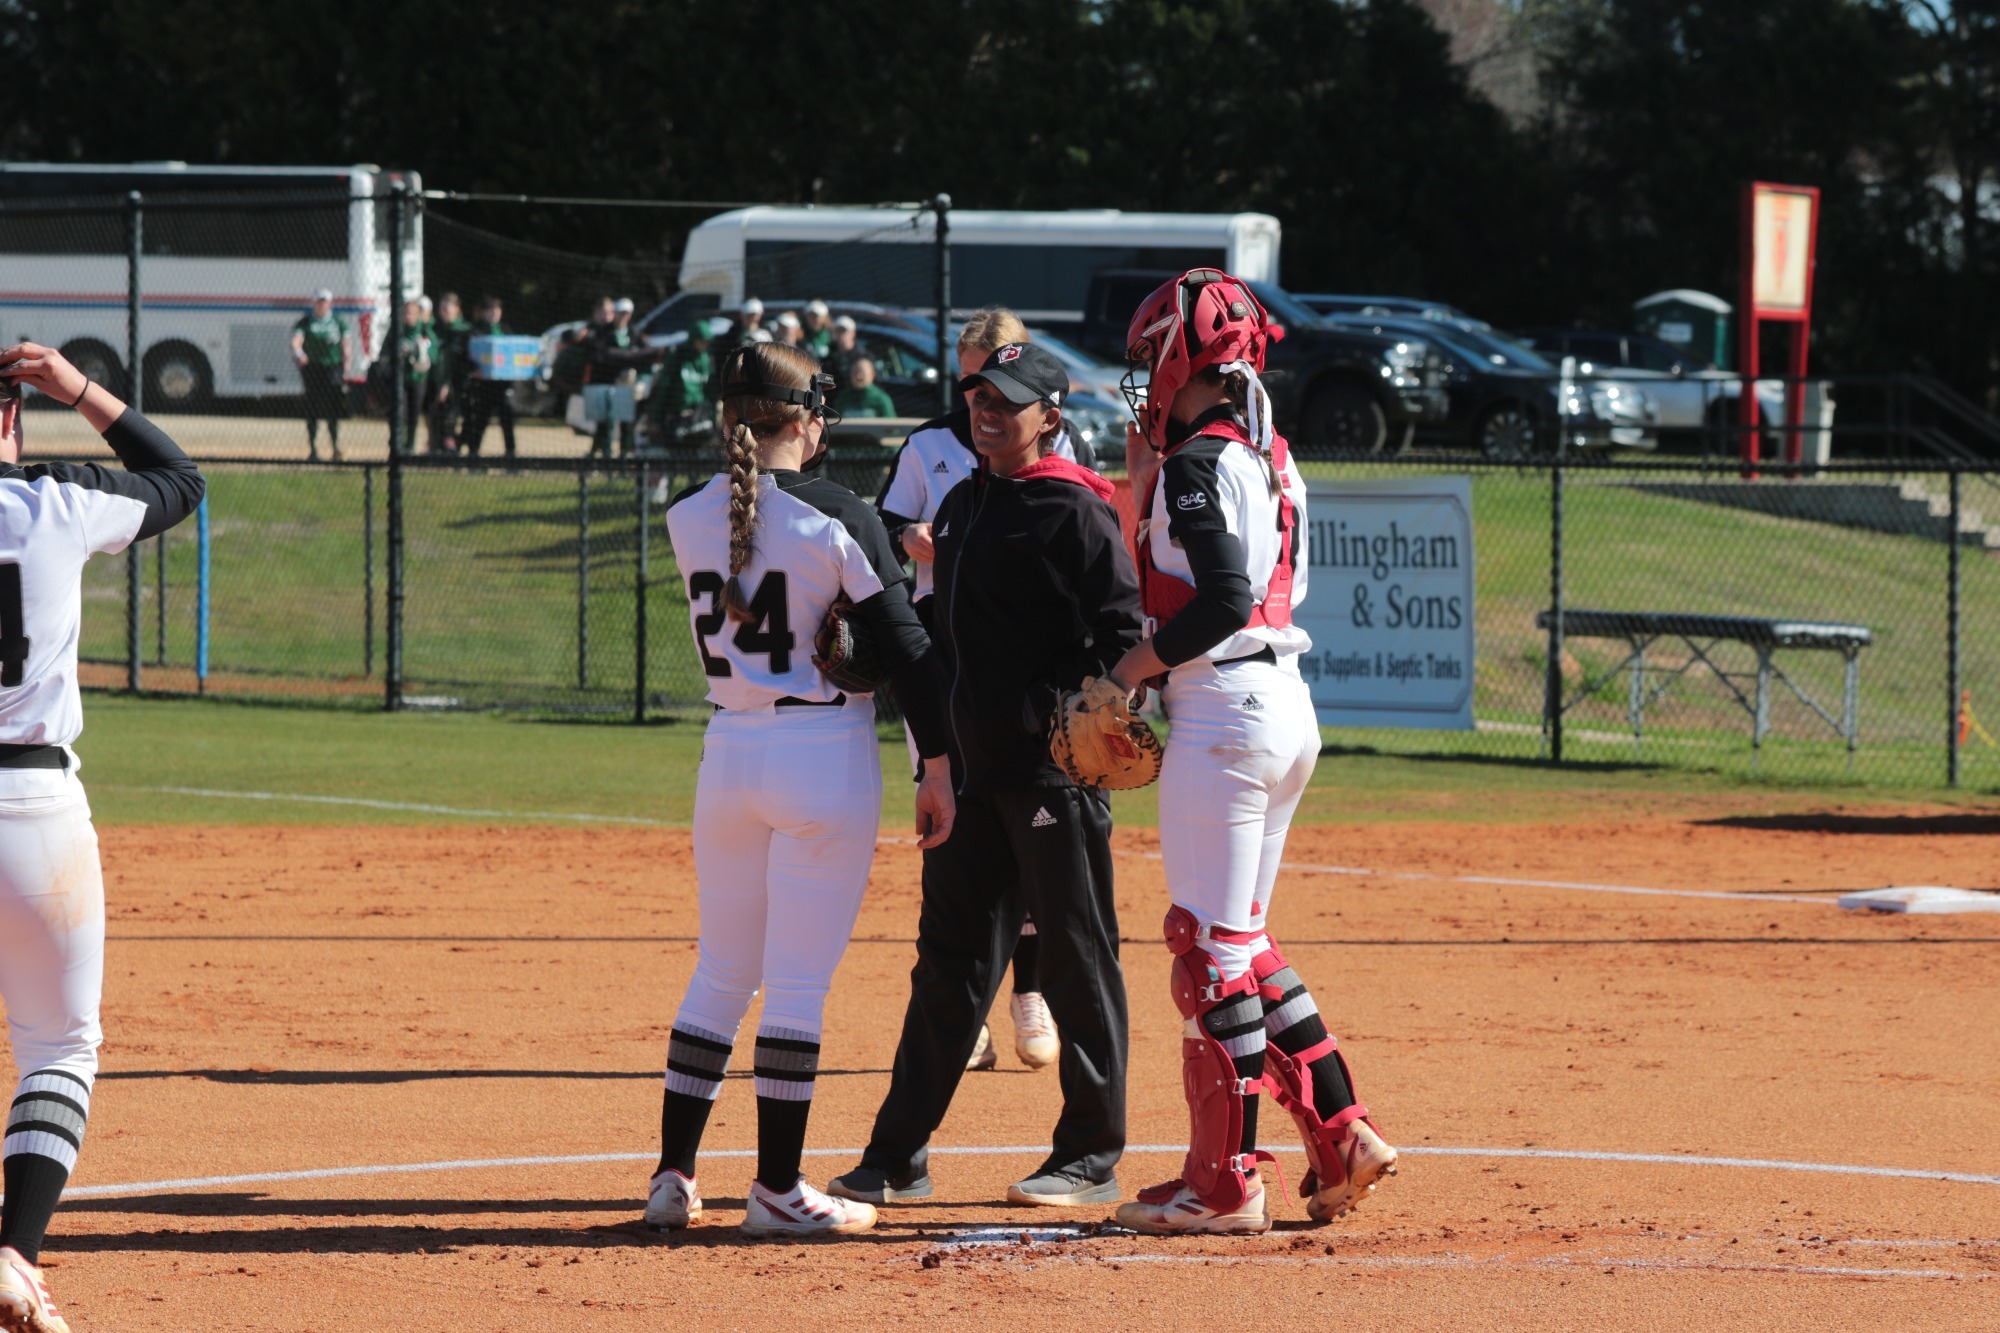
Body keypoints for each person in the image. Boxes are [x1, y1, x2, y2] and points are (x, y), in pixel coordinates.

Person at [1104, 270, 1399, 1236]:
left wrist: (1129, 671)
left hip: (1225, 704)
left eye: (1154, 354)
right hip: (1279, 707)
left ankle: (1222, 1184)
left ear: (1187, 356)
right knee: (1244, 943)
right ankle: (1342, 1133)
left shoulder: (1197, 460)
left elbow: (1222, 599)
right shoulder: (1270, 449)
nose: (1146, 373)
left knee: (1206, 953)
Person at [650, 342, 957, 1238]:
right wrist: (936, 764)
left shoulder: (686, 515)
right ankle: (778, 1189)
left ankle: (672, 1176)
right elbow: (904, 651)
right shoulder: (842, 515)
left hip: (728, 753)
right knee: (794, 985)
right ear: (809, 424)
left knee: (720, 972)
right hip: (821, 751)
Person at [832, 341, 1140, 1209]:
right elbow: (947, 649)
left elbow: (1123, 634)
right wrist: (936, 763)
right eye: (977, 394)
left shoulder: (1076, 512)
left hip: (1050, 778)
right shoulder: (962, 504)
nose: (987, 408)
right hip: (969, 778)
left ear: (1050, 414)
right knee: (948, 968)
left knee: (1078, 961)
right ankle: (897, 1156)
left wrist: (1105, 707)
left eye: (1007, 397)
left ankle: (1089, 1153)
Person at [0, 342, 206, 1332]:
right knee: (58, 1044)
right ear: (11, 418)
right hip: (35, 813)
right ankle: (16, 1253)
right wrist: (76, 388)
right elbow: (178, 481)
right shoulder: (56, 502)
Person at [873, 308, 1090, 1073]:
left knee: (1031, 834)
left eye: (997, 376)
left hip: (1028, 667)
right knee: (950, 820)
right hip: (945, 656)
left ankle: (1028, 992)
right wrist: (910, 537)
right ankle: (961, 1003)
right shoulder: (929, 444)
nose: (983, 399)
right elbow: (887, 516)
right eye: (973, 380)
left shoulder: (1061, 442)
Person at [586, 297, 661, 459]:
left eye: (626, 313)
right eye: (620, 313)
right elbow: (604, 354)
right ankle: (602, 455)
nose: (623, 316)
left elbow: (646, 355)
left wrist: (639, 377)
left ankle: (624, 456)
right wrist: (631, 356)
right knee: (604, 423)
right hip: (607, 383)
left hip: (627, 386)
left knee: (627, 424)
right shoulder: (604, 333)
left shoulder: (633, 333)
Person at [289, 288, 350, 462]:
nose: (322, 304)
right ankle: (313, 449)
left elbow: (346, 344)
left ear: (330, 303)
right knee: (312, 408)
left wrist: (346, 363)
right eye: (319, 301)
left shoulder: (337, 322)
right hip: (313, 369)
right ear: (314, 303)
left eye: (325, 301)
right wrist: (299, 354)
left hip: (332, 368)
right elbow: (296, 342)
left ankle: (335, 447)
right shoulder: (306, 322)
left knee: (333, 408)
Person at [644, 318, 719, 448]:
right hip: (676, 414)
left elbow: (711, 391)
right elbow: (664, 387)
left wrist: (712, 414)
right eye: (701, 340)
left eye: (706, 341)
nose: (704, 344)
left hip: (699, 416)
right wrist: (656, 418)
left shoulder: (707, 360)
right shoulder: (678, 356)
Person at [459, 296, 519, 459]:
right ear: (483, 313)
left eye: (497, 309)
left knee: (507, 420)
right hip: (483, 386)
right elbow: (465, 358)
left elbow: (515, 354)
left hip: (503, 385)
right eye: (490, 310)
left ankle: (511, 455)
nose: (494, 313)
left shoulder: (506, 331)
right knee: (480, 421)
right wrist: (474, 371)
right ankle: (473, 454)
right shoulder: (474, 332)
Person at [427, 292, 472, 455]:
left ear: (457, 309)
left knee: (453, 417)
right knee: (435, 415)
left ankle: (453, 446)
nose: (444, 310)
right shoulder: (435, 329)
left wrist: (448, 383)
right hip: (435, 380)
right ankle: (435, 448)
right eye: (442, 307)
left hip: (458, 383)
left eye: (448, 307)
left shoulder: (465, 331)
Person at [391, 299, 433, 453]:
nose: (409, 316)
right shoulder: (397, 330)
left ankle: (410, 445)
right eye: (406, 312)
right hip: (400, 379)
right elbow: (385, 352)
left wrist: (423, 355)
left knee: (414, 414)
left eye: (412, 313)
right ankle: (398, 445)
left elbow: (433, 354)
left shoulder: (424, 331)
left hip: (418, 378)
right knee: (400, 413)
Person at [830, 354, 896, 419]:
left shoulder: (881, 400)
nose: (858, 376)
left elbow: (891, 427)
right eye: (855, 372)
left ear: (872, 374)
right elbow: (835, 425)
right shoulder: (843, 399)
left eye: (862, 372)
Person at [823, 315, 863, 389]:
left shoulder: (862, 358)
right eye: (838, 330)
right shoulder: (829, 360)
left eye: (844, 330)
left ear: (853, 333)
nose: (841, 334)